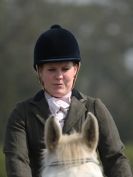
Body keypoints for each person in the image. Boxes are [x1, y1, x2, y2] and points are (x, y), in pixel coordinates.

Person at [4, 24, 132, 177]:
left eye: (65, 69)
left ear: (76, 69)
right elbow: (17, 161)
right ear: (39, 71)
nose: (59, 76)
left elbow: (115, 159)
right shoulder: (22, 114)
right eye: (51, 69)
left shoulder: (94, 108)